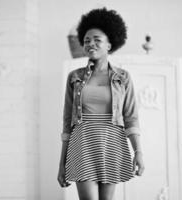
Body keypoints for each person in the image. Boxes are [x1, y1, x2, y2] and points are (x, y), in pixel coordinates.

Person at [57, 7, 145, 200]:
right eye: (87, 40)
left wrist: (138, 151)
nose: (91, 44)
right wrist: (62, 163)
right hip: (83, 143)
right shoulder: (75, 77)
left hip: (112, 142)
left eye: (97, 40)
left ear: (109, 44)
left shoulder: (123, 78)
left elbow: (131, 118)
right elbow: (67, 123)